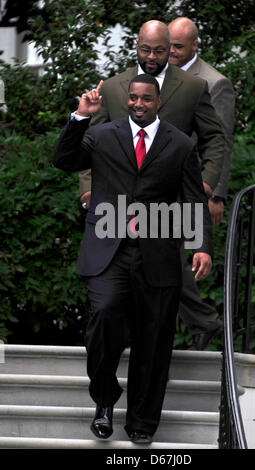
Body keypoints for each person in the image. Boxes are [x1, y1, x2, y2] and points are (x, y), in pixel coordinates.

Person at [53, 74, 213, 443]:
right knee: (106, 315)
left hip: (158, 253)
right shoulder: (103, 134)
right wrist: (80, 117)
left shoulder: (180, 144)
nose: (139, 104)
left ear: (158, 102)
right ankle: (105, 401)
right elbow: (64, 159)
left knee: (154, 340)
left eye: (146, 99)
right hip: (109, 249)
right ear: (128, 100)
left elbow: (193, 199)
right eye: (134, 98)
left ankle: (142, 423)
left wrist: (201, 244)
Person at [78, 20, 225, 351]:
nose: (152, 56)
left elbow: (215, 137)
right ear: (136, 46)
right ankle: (197, 322)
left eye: (160, 50)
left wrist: (205, 182)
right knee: (120, 274)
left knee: (163, 270)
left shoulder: (192, 87)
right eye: (146, 49)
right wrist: (87, 184)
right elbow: (91, 139)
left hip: (168, 199)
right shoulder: (115, 87)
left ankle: (171, 340)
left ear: (170, 47)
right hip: (117, 201)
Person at [168, 17, 235, 350]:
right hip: (157, 184)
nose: (172, 52)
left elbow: (220, 141)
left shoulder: (213, 82)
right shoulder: (157, 73)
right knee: (163, 256)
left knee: (167, 256)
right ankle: (201, 320)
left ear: (196, 45)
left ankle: (202, 320)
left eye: (178, 46)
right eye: (169, 45)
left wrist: (215, 193)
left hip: (192, 187)